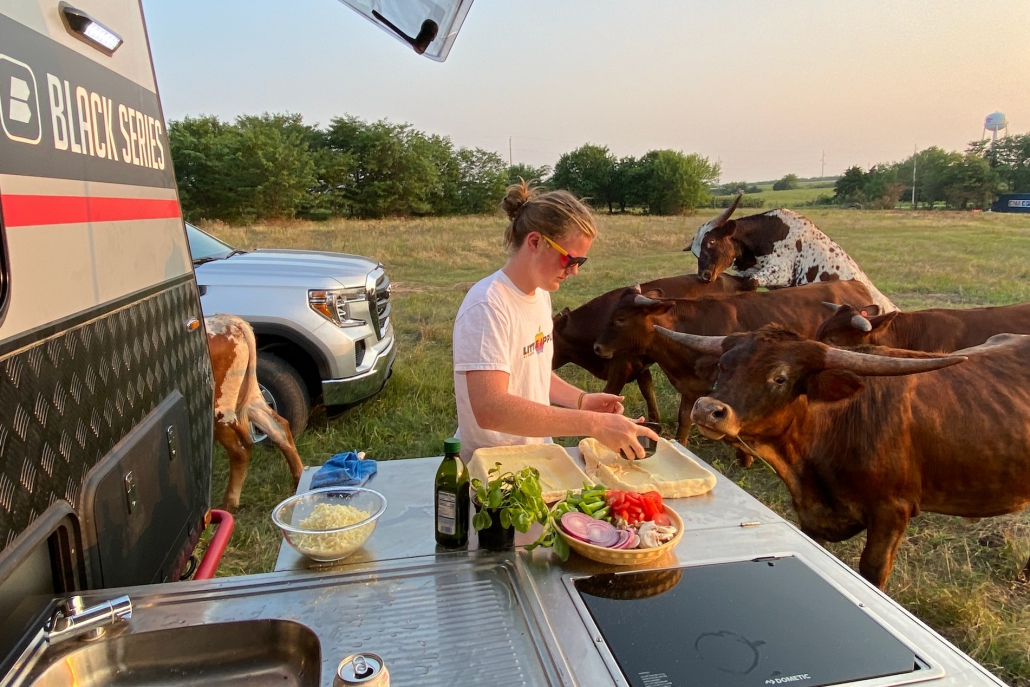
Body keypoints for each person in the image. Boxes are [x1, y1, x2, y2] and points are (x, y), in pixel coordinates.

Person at [452, 181, 658, 463]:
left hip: (537, 457)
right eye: (569, 259)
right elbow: (491, 408)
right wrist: (591, 424)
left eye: (580, 262)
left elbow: (532, 371)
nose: (574, 271)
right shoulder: (487, 306)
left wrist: (582, 401)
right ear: (535, 242)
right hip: (492, 468)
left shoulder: (539, 296)